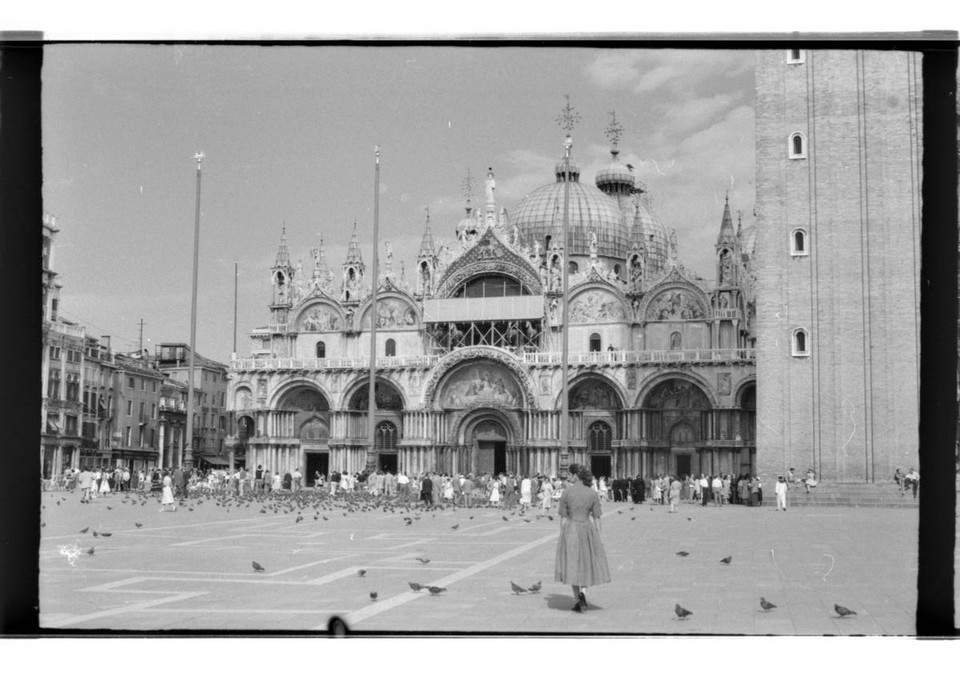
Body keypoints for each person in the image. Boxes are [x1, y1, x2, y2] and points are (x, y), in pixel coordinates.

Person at [555, 464, 611, 613]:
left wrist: (563, 535)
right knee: (586, 563)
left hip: (571, 529)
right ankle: (583, 593)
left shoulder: (567, 492)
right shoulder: (592, 493)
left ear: (575, 476)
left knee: (572, 564)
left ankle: (578, 599)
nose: (568, 477)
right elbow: (597, 517)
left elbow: (563, 518)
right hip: (588, 529)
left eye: (570, 474)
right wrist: (599, 536)